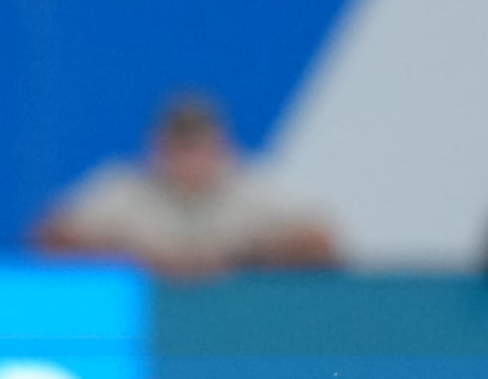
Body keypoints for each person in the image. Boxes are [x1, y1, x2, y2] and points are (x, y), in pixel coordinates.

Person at [33, 93, 337, 278]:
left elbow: (319, 243)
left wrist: (241, 262)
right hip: (139, 326)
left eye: (199, 147)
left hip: (242, 326)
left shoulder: (250, 188)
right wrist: (139, 263)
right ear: (156, 148)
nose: (189, 160)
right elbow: (51, 237)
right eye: (180, 148)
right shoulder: (125, 188)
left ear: (222, 148)